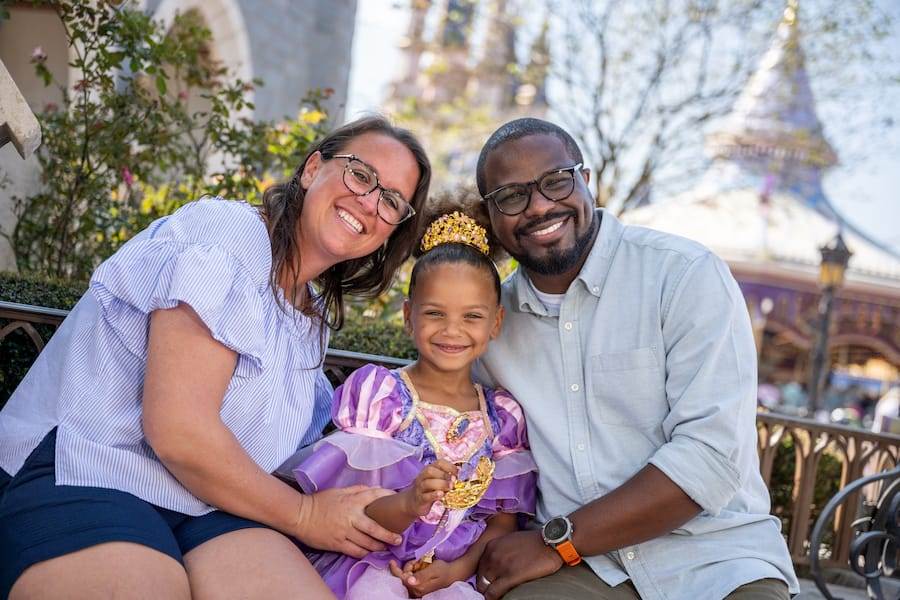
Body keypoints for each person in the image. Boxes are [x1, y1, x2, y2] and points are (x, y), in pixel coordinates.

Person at [0, 115, 431, 600]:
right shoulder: (229, 235)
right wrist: (305, 515)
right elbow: (179, 431)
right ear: (313, 169)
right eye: (360, 174)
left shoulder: (310, 320)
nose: (370, 202)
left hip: (209, 505)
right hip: (93, 466)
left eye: (391, 201)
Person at [470, 118, 799, 600]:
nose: (539, 205)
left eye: (556, 181)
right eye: (512, 196)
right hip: (581, 574)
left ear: (586, 180)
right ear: (490, 214)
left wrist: (556, 542)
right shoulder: (487, 325)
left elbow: (709, 459)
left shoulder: (684, 275)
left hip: (718, 560)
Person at [292, 209, 537, 599]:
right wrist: (409, 502)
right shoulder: (382, 399)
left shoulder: (501, 419)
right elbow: (355, 508)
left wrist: (457, 571)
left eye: (472, 316)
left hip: (454, 576)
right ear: (409, 316)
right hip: (375, 562)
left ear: (495, 322)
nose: (452, 330)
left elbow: (502, 524)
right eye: (435, 313)